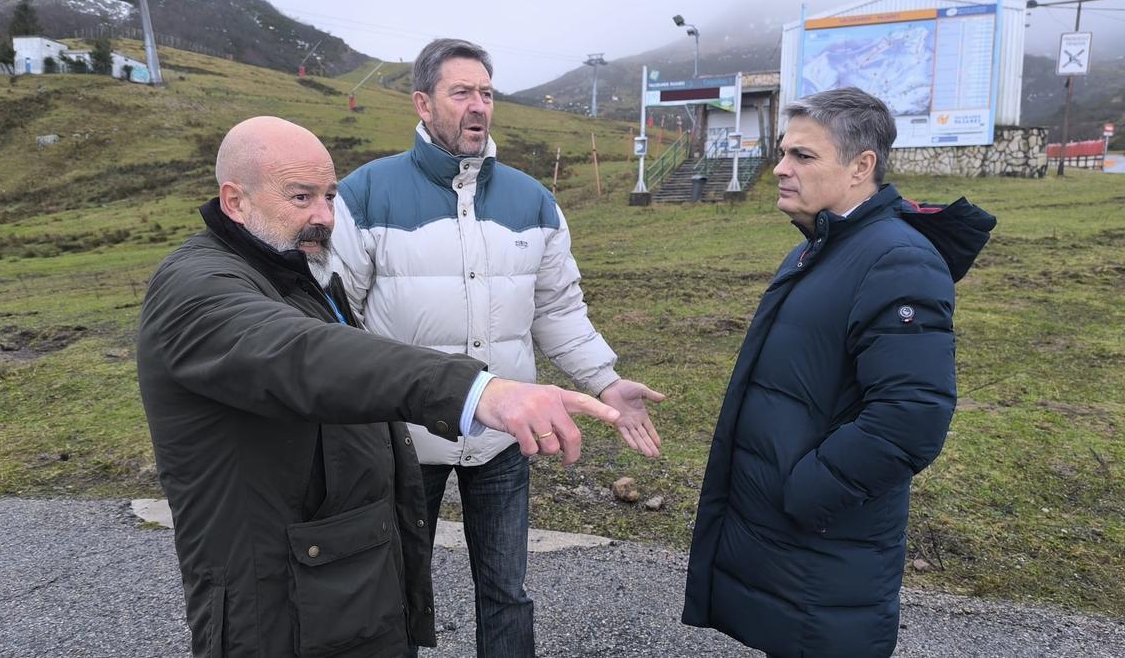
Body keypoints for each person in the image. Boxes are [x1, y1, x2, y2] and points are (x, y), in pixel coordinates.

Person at [136, 116, 621, 658]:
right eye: (301, 197)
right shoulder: (197, 289)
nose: (324, 217)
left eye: (329, 195)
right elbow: (303, 356)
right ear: (234, 201)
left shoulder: (296, 267)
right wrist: (478, 391)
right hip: (276, 600)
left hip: (339, 573)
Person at [329, 38, 665, 657]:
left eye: (486, 93)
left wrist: (606, 380)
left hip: (505, 436)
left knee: (507, 590)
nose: (478, 105)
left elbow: (558, 310)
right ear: (422, 103)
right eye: (461, 92)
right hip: (404, 437)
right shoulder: (364, 194)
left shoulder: (533, 200)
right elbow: (335, 315)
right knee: (394, 588)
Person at [682, 87, 995, 658]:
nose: (779, 169)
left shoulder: (897, 259)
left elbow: (910, 417)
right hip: (793, 538)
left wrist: (805, 492)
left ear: (861, 167)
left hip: (823, 536)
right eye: (782, 153)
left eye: (802, 156)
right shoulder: (824, 246)